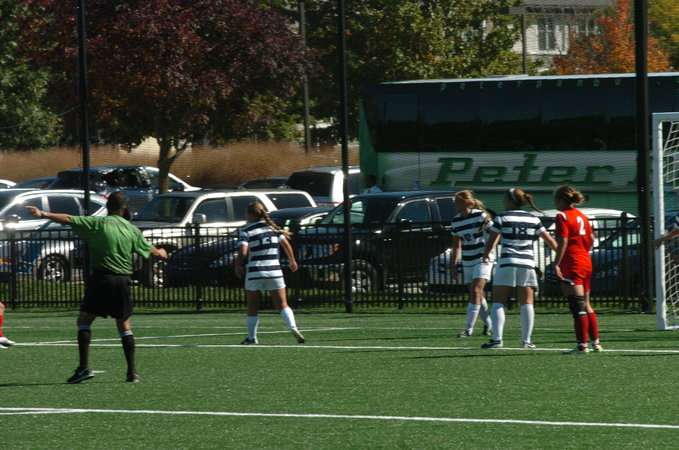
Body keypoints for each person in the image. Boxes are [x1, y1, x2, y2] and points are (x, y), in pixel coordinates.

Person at [26, 191, 168, 384]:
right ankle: (132, 372)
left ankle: (84, 368)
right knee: (124, 324)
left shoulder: (97, 224)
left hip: (103, 278)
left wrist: (43, 214)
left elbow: (68, 218)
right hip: (123, 280)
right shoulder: (131, 229)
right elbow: (152, 251)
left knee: (84, 320)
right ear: (123, 209)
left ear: (108, 207)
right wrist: (161, 252)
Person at [481, 188, 557, 349]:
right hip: (527, 263)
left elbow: (492, 240)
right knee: (527, 302)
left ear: (510, 201)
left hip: (507, 261)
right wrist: (563, 255)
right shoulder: (533, 218)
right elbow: (550, 240)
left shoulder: (502, 217)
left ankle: (497, 339)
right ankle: (526, 341)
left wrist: (486, 254)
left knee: (498, 301)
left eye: (505, 198)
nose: (503, 201)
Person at [234, 201, 305, 345]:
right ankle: (293, 326)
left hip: (255, 271)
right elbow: (286, 245)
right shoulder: (273, 228)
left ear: (249, 214)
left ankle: (252, 338)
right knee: (282, 304)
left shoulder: (246, 230)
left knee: (252, 305)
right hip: (275, 271)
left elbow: (243, 252)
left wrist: (238, 264)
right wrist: (292, 261)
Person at [552, 185, 602, 355]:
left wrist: (556, 263)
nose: (554, 203)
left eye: (555, 200)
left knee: (577, 305)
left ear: (561, 200)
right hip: (585, 260)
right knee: (586, 304)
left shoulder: (562, 216)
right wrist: (582, 251)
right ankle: (596, 343)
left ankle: (582, 346)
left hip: (572, 262)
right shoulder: (582, 215)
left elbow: (563, 241)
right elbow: (591, 238)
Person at [450, 190, 493, 338]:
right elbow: (456, 245)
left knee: (475, 291)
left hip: (482, 259)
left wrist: (488, 252)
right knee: (477, 294)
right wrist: (453, 265)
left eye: (456, 202)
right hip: (468, 260)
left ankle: (468, 329)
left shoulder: (479, 215)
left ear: (464, 202)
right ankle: (489, 323)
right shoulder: (456, 220)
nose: (454, 205)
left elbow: (494, 233)